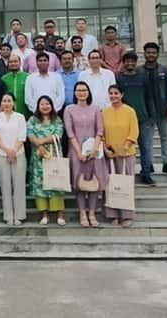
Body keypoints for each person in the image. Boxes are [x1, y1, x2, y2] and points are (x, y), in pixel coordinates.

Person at [64, 81, 106, 227]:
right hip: (76, 150)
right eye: (79, 90)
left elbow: (100, 130)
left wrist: (94, 149)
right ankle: (82, 212)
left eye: (84, 90)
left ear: (88, 93)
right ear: (74, 93)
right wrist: (79, 152)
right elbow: (69, 132)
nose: (81, 93)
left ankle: (92, 213)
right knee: (79, 183)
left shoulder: (95, 109)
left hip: (95, 150)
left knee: (94, 181)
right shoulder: (69, 109)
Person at [116, 52, 156, 186]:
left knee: (145, 147)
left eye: (132, 61)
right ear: (123, 63)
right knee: (125, 147)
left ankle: (146, 173)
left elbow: (149, 97)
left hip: (143, 117)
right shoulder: (119, 78)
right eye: (127, 61)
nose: (130, 64)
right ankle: (125, 173)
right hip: (124, 120)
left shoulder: (144, 77)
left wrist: (152, 115)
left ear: (136, 62)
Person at [102, 84, 139, 227]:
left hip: (126, 154)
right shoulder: (104, 112)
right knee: (111, 185)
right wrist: (105, 148)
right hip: (110, 154)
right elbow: (102, 133)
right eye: (111, 93)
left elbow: (134, 131)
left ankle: (126, 215)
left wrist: (126, 146)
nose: (113, 96)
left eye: (116, 93)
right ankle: (112, 215)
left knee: (125, 185)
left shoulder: (130, 111)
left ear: (122, 95)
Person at [27, 95, 66, 226]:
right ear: (38, 106)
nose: (45, 106)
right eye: (42, 104)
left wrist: (41, 142)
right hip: (38, 157)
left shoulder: (57, 120)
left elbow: (58, 135)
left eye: (47, 104)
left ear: (52, 106)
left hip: (53, 155)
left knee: (56, 183)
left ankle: (60, 214)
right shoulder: (32, 120)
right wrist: (39, 145)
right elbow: (30, 134)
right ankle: (44, 214)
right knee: (40, 185)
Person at [142, 42, 167, 176]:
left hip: (163, 109)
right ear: (145, 54)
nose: (151, 54)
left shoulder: (165, 70)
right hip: (146, 112)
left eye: (153, 52)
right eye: (148, 52)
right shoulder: (140, 71)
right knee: (147, 139)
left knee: (165, 137)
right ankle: (148, 163)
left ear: (157, 54)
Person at [0, 93, 28, 225]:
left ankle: (19, 215)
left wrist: (13, 150)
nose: (7, 103)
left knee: (19, 185)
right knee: (5, 185)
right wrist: (7, 150)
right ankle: (8, 215)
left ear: (14, 103)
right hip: (2, 154)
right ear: (1, 103)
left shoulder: (20, 117)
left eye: (9, 101)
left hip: (18, 154)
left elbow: (22, 137)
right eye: (4, 101)